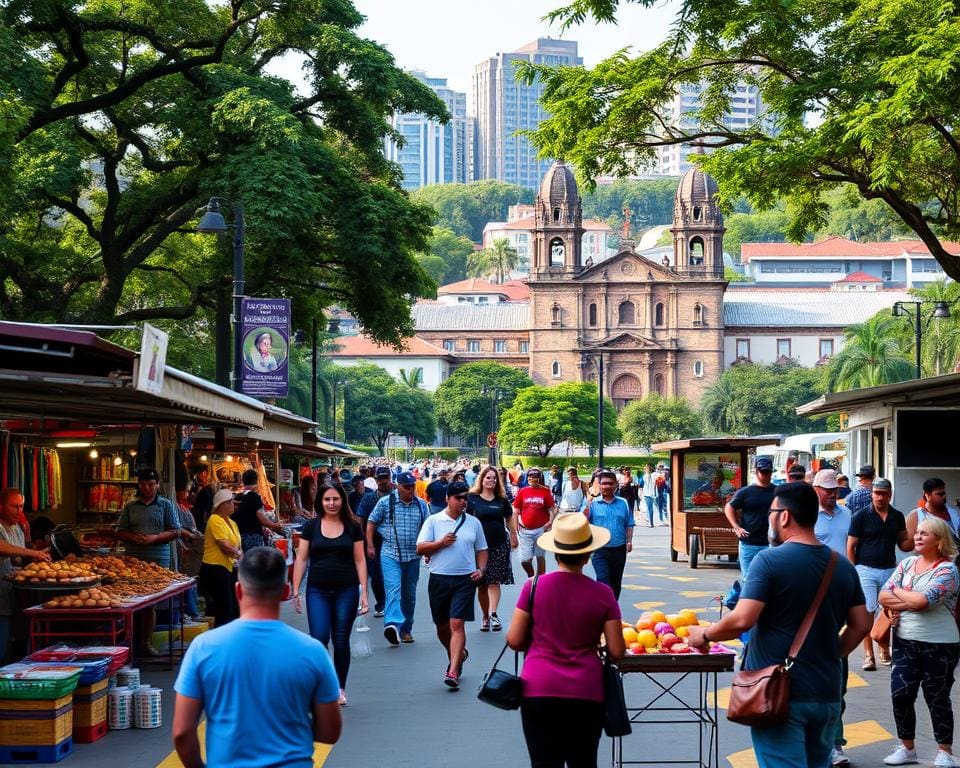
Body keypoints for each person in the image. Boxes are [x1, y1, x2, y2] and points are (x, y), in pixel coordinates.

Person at [686, 482, 872, 768]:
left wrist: (705, 634)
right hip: (826, 691)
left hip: (780, 692)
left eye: (772, 511)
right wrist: (830, 654)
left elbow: (742, 619)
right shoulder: (841, 565)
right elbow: (861, 625)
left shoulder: (769, 561)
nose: (769, 518)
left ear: (784, 516)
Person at [173, 547, 341, 768]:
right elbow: (330, 732)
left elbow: (182, 733)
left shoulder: (204, 648)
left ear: (238, 591)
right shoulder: (312, 651)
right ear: (285, 592)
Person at [506, 514, 625, 768]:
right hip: (586, 690)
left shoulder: (533, 586)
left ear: (555, 553)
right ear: (588, 555)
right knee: (583, 762)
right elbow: (616, 650)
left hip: (538, 687)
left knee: (544, 763)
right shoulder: (603, 594)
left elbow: (515, 640)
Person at [879, 516, 960, 767]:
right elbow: (883, 595)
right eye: (917, 532)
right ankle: (907, 747)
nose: (917, 536)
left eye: (925, 533)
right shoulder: (908, 563)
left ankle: (945, 751)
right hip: (904, 640)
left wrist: (901, 595)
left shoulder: (948, 570)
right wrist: (911, 599)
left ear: (939, 540)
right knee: (900, 694)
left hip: (940, 643)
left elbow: (922, 601)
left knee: (937, 697)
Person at [292, 482, 368, 706]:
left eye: (335, 499)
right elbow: (302, 558)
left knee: (341, 639)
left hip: (347, 589)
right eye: (327, 499)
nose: (331, 503)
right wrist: (296, 589)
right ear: (320, 502)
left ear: (342, 500)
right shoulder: (311, 526)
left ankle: (339, 687)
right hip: (317, 590)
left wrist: (364, 592)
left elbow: (360, 559)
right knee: (319, 638)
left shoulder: (353, 526)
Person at [416, 482, 488, 689]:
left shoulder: (473, 523)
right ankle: (458, 654)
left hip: (465, 579)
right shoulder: (433, 521)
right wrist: (440, 543)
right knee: (441, 626)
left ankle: (453, 670)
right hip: (439, 578)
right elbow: (420, 548)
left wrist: (481, 570)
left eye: (465, 497)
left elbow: (482, 549)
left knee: (457, 624)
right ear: (447, 499)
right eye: (458, 497)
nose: (463, 501)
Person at [811, 468, 854, 765]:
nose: (832, 494)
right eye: (827, 489)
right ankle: (817, 744)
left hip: (841, 598)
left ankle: (835, 744)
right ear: (815, 489)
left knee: (837, 679)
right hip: (811, 598)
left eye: (835, 489)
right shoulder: (806, 518)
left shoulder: (848, 514)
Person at [848, 477, 913, 670]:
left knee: (889, 611)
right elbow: (851, 546)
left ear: (890, 495)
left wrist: (918, 538)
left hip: (889, 568)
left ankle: (884, 646)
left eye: (884, 494)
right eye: (877, 493)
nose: (880, 497)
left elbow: (903, 543)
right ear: (872, 494)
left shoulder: (897, 516)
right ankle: (869, 655)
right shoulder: (860, 515)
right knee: (868, 611)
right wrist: (852, 572)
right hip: (865, 569)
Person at [116, 468, 181, 656]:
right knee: (130, 601)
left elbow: (175, 531)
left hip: (158, 559)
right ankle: (129, 644)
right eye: (143, 484)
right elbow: (120, 531)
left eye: (151, 484)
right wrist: (132, 537)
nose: (147, 488)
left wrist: (155, 538)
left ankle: (145, 643)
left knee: (149, 604)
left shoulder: (166, 505)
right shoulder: (130, 506)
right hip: (132, 560)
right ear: (139, 485)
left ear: (158, 485)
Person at [366, 470, 429, 646]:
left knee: (409, 595)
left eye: (412, 486)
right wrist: (370, 544)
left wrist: (429, 551)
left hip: (413, 556)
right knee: (393, 589)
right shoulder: (385, 503)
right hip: (390, 554)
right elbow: (371, 522)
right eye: (407, 487)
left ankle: (406, 629)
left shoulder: (422, 505)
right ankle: (392, 625)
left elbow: (428, 529)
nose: (410, 490)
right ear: (398, 486)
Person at [0, 489, 50, 663]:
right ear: (1, 506)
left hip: (12, 596)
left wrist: (37, 557)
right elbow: (2, 548)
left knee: (10, 645)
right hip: (0, 598)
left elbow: (17, 560)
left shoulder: (17, 529)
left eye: (21, 506)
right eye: (14, 506)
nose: (19, 511)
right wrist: (32, 552)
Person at [467, 466, 516, 632]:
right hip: (479, 547)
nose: (491, 481)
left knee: (494, 581)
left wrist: (514, 536)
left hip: (499, 544)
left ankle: (494, 614)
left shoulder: (501, 500)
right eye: (488, 478)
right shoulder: (472, 498)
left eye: (494, 478)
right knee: (481, 583)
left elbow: (509, 518)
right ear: (482, 479)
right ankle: (485, 616)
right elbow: (465, 520)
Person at [723, 456, 776, 582]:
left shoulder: (777, 492)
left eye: (767, 472)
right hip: (749, 544)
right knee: (748, 580)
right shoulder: (746, 492)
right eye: (762, 471)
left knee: (771, 579)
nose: (765, 475)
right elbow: (729, 507)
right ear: (756, 472)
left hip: (771, 544)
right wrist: (736, 527)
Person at [586, 470, 634, 600]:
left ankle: (612, 610)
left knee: (615, 583)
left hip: (619, 548)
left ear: (615, 485)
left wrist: (629, 541)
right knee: (603, 581)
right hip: (599, 550)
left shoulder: (623, 503)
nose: (607, 486)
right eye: (604, 483)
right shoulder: (593, 504)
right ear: (599, 485)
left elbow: (629, 523)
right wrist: (588, 501)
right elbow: (583, 521)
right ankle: (603, 610)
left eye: (610, 483)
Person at [199, 489, 242, 628]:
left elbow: (236, 545)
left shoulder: (231, 522)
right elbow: (224, 544)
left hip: (228, 567)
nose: (234, 505)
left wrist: (238, 554)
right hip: (215, 567)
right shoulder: (214, 520)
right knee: (224, 608)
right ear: (222, 504)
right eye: (230, 502)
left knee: (234, 606)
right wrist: (237, 553)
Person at [355, 466, 393, 618]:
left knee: (390, 574)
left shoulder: (396, 496)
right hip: (372, 541)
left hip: (391, 541)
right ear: (376, 480)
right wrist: (363, 538)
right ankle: (381, 603)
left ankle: (391, 603)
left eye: (385, 478)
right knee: (376, 575)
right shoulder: (368, 498)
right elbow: (360, 518)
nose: (382, 481)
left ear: (390, 479)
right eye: (380, 478)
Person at [513, 468, 556, 579]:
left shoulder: (545, 491)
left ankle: (541, 580)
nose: (532, 479)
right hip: (524, 530)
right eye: (530, 477)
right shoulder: (523, 491)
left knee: (540, 555)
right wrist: (514, 529)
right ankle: (531, 575)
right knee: (525, 560)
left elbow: (552, 509)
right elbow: (516, 511)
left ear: (539, 479)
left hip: (540, 530)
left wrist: (550, 521)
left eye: (535, 477)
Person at [233, 469, 284, 551]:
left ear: (243, 481)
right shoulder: (255, 497)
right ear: (257, 481)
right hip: (253, 537)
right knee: (254, 561)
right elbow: (262, 519)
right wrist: (276, 525)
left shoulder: (237, 497)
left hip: (238, 536)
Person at [906, 478, 960, 546]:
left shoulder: (953, 512)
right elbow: (909, 545)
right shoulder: (916, 515)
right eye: (940, 494)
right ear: (927, 495)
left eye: (944, 493)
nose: (944, 497)